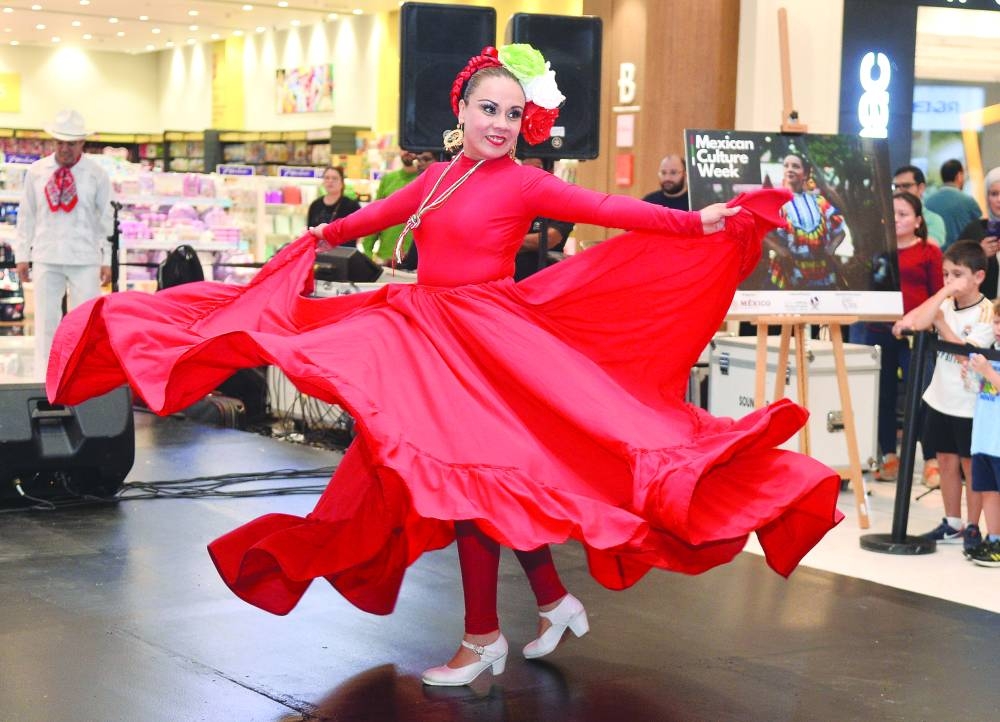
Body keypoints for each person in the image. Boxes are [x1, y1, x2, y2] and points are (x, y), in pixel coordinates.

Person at [45, 45, 842, 687]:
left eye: (512, 113)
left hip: (488, 344)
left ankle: (482, 637)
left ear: (524, 123)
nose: (499, 123)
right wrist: (319, 236)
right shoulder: (435, 177)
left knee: (473, 484)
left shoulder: (525, 180)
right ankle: (551, 601)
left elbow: (613, 212)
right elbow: (375, 218)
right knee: (480, 482)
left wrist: (701, 219)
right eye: (487, 110)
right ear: (460, 113)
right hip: (427, 338)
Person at [893, 240, 994, 553]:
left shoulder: (987, 312)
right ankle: (952, 522)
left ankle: (974, 525)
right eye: (945, 274)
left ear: (978, 276)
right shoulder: (945, 303)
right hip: (940, 397)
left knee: (970, 465)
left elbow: (967, 355)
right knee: (946, 460)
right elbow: (913, 323)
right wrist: (940, 298)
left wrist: (938, 320)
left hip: (969, 402)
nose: (949, 281)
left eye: (957, 275)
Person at [13, 109, 113, 379]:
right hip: (47, 254)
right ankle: (45, 377)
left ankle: (83, 374)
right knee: (45, 321)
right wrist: (22, 255)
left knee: (85, 321)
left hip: (85, 257)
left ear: (82, 143)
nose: (64, 149)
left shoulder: (96, 175)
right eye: (59, 142)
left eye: (70, 143)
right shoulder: (37, 172)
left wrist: (107, 259)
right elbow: (27, 215)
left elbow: (107, 217)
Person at [856, 192, 942, 482]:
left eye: (903, 214)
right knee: (884, 394)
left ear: (918, 220)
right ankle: (888, 456)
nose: (896, 219)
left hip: (917, 334)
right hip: (879, 331)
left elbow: (937, 297)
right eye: (891, 213)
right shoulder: (877, 251)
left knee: (923, 395)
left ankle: (931, 459)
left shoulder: (929, 251)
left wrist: (917, 321)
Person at [763, 152, 846, 290]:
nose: (790, 169)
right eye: (786, 166)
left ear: (806, 174)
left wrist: (831, 249)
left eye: (795, 166)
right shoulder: (774, 201)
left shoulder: (820, 202)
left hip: (821, 274)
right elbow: (762, 234)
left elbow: (840, 232)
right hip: (787, 274)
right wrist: (781, 250)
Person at [966, 306, 1000, 567]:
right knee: (988, 491)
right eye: (996, 323)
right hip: (983, 439)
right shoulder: (990, 354)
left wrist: (988, 372)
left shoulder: (991, 363)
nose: (997, 329)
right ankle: (994, 538)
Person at [513, 156, 574, 280]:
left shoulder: (562, 202)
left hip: (545, 279)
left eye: (536, 169)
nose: (530, 175)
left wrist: (509, 243)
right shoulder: (510, 199)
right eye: (525, 170)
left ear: (550, 170)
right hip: (509, 280)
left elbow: (551, 238)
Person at [361, 149, 422, 262]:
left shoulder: (427, 180)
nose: (407, 152)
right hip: (384, 259)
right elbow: (375, 216)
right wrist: (368, 254)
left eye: (411, 147)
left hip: (416, 262)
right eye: (404, 147)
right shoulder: (388, 179)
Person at [956, 165, 1000, 300]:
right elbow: (955, 270)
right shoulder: (974, 230)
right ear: (987, 197)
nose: (999, 199)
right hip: (983, 310)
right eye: (994, 194)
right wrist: (980, 254)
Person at [924, 159, 982, 248]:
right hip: (963, 255)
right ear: (959, 176)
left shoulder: (928, 201)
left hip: (936, 255)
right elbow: (979, 228)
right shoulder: (968, 201)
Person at [305, 166, 361, 246]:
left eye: (334, 178)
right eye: (327, 178)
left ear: (342, 183)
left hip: (344, 253)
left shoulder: (352, 206)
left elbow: (358, 232)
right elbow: (310, 230)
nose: (330, 181)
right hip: (318, 252)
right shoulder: (315, 205)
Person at [893, 165, 945, 246]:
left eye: (906, 186)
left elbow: (929, 248)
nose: (899, 191)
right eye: (896, 187)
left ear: (921, 188)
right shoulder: (887, 217)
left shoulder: (933, 220)